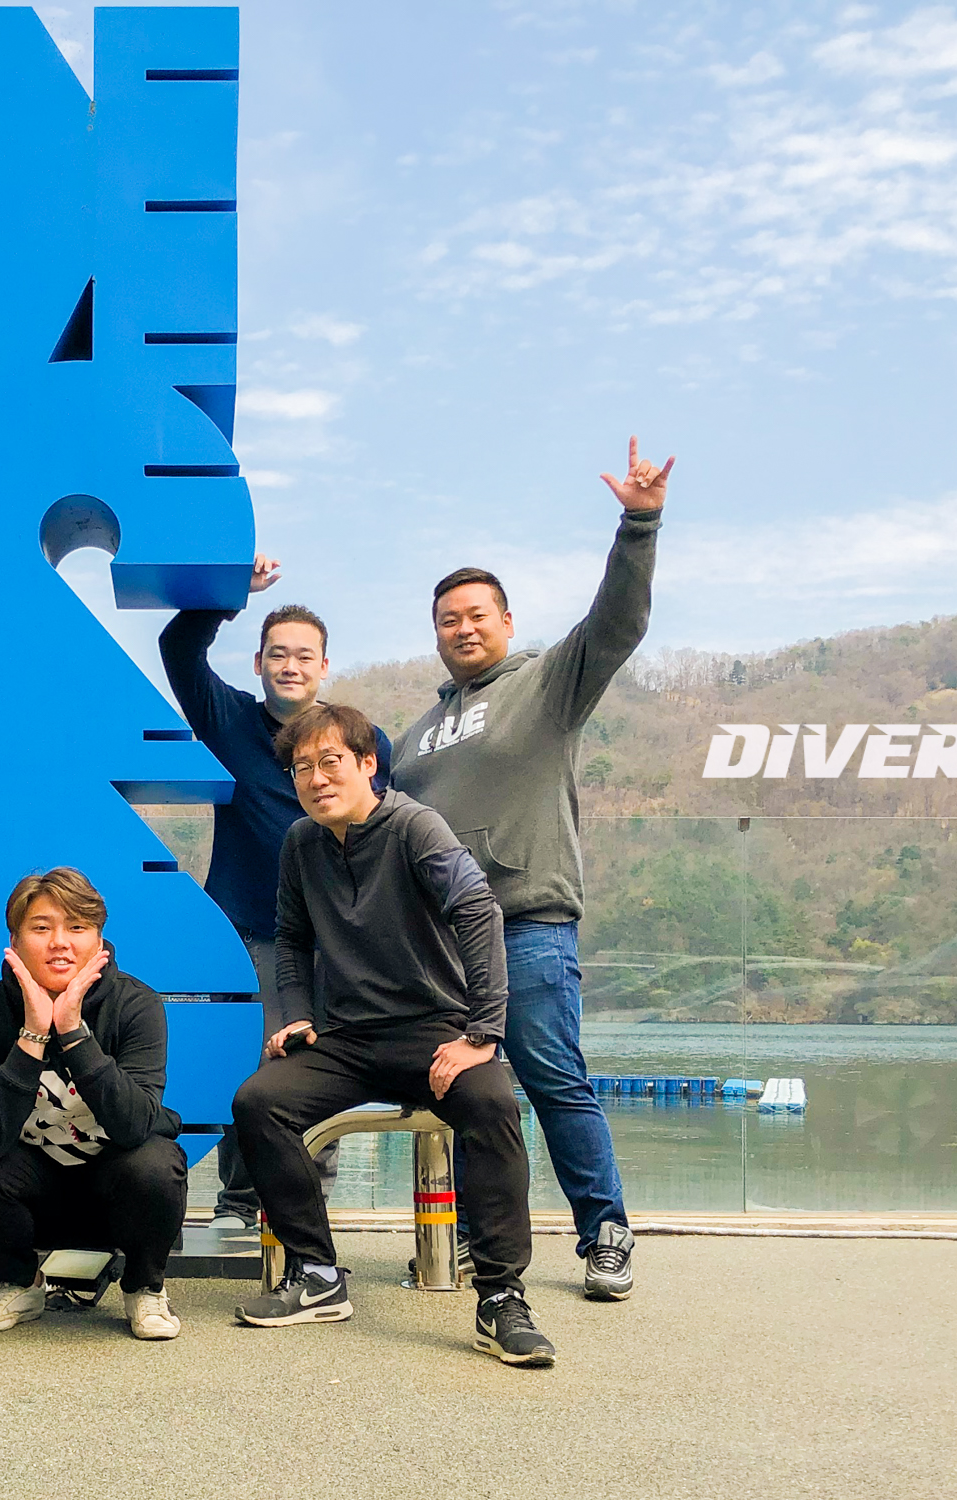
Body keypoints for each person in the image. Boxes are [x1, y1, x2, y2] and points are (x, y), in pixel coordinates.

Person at [391, 436, 673, 1302]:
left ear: (506, 623)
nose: (464, 628)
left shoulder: (547, 684)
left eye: (478, 614)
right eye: (448, 619)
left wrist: (639, 524)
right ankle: (477, 1242)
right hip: (443, 947)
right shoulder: (412, 739)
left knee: (554, 1081)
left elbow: (618, 624)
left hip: (528, 926)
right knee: (469, 1094)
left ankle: (605, 1234)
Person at [230, 703, 555, 1367]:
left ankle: (500, 1298)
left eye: (331, 762)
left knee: (493, 1104)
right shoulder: (301, 843)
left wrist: (482, 1033)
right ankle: (318, 1275)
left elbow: (478, 910)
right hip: (347, 1038)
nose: (317, 779)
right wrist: (296, 1013)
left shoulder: (414, 826)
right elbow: (291, 937)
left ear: (367, 763)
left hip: (434, 1030)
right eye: (301, 769)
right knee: (259, 1102)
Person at [158, 558, 392, 1230]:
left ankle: (305, 1208)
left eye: (304, 656)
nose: (291, 666)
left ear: (324, 667)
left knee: (322, 1067)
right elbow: (178, 647)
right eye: (278, 654)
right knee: (249, 1068)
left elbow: (382, 831)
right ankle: (238, 1202)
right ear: (259, 662)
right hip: (248, 932)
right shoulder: (228, 717)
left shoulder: (359, 740)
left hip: (336, 936)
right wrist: (231, 590)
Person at [0, 868, 190, 1342]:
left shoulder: (136, 1005)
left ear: (98, 940)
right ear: (14, 942)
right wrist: (33, 1034)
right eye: (41, 928)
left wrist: (74, 1033)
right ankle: (19, 1282)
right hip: (34, 1192)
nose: (60, 943)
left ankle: (144, 1287)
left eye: (77, 927)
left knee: (156, 1165)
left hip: (115, 1185)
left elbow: (135, 1125)